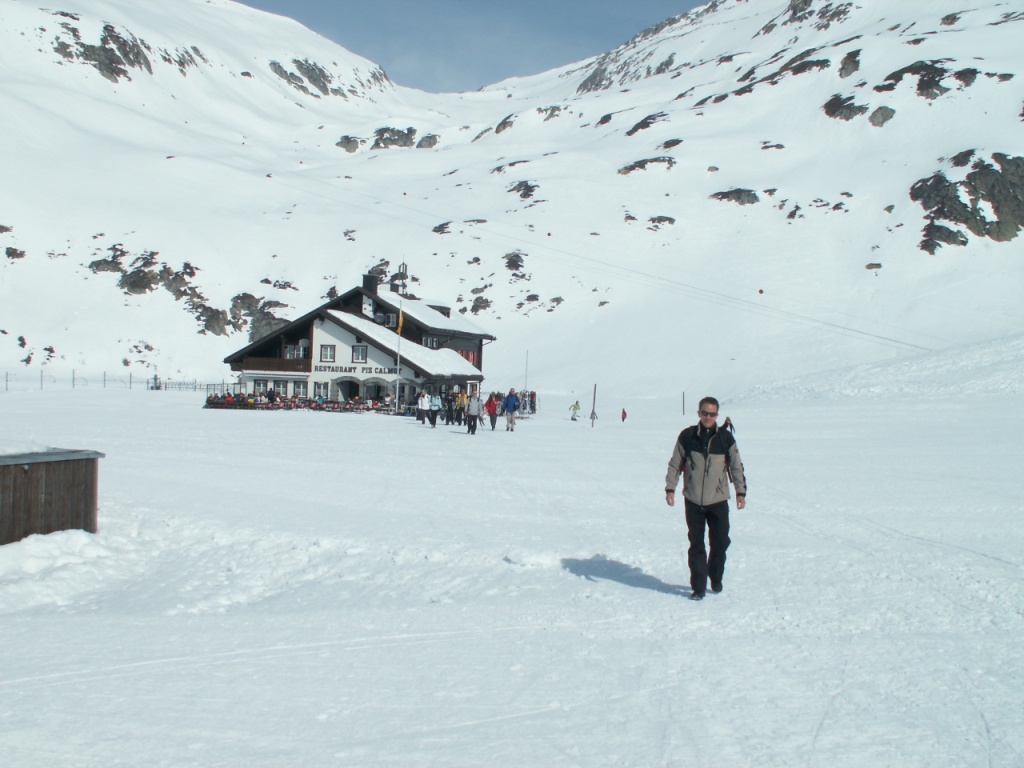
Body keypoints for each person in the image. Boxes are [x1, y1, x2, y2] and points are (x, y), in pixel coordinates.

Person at [664, 396, 747, 601]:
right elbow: (675, 463)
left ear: (717, 415)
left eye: (712, 414)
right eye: (705, 413)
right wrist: (670, 488)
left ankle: (715, 576)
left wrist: (740, 492)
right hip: (693, 500)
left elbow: (736, 466)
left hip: (718, 500)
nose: (708, 417)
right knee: (697, 544)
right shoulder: (688, 436)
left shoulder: (725, 438)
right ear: (699, 413)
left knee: (720, 542)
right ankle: (699, 587)